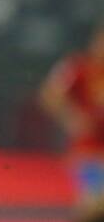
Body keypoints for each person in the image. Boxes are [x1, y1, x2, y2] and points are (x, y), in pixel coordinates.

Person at [41, 26, 104, 222]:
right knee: (94, 203)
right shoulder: (78, 67)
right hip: (89, 153)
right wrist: (72, 119)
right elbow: (50, 94)